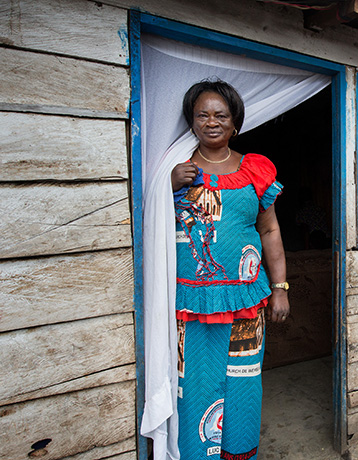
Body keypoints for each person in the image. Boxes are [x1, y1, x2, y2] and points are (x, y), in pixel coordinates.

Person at [142, 79, 290, 460]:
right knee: (194, 385)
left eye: (220, 115)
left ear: (235, 121)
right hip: (191, 304)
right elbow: (145, 220)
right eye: (202, 115)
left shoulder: (255, 170)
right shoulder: (171, 171)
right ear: (190, 122)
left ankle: (239, 454)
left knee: (243, 384)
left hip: (245, 299)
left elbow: (270, 229)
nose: (211, 122)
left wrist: (280, 288)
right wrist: (166, 185)